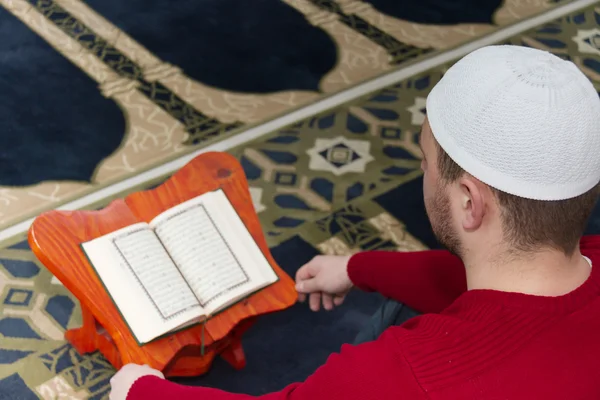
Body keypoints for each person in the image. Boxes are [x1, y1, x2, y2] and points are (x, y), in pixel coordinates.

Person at [109, 44, 600, 399]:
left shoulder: (401, 375)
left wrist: (141, 391)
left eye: (425, 163)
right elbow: (502, 301)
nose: (422, 173)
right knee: (400, 307)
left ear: (470, 202)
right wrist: (360, 267)